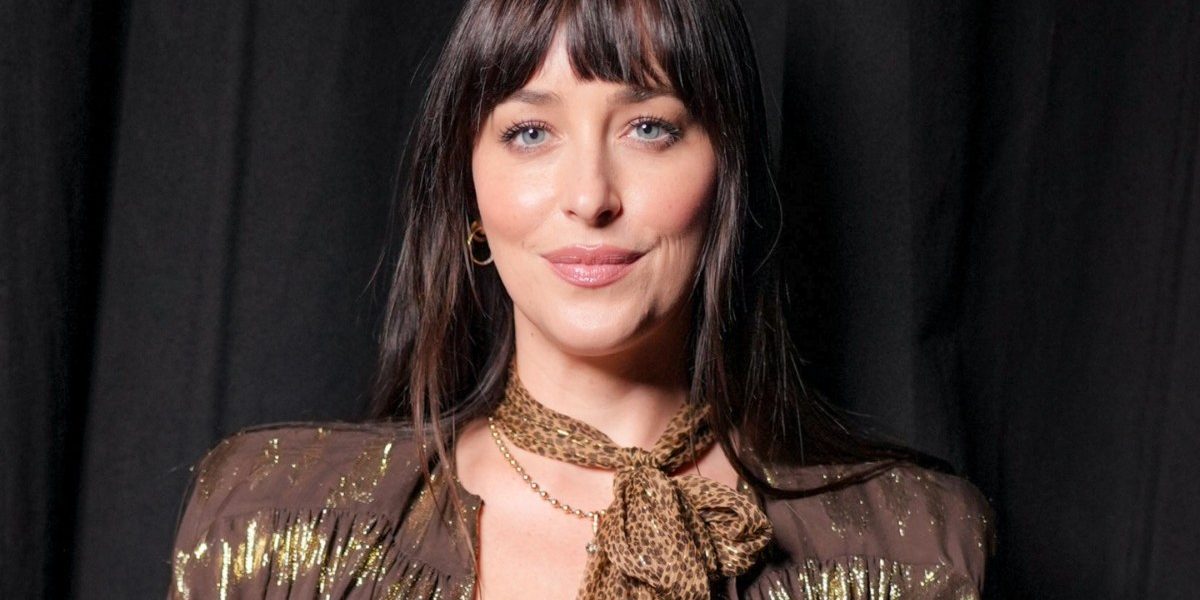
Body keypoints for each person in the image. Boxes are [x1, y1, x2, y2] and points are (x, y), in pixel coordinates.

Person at [167, 0, 995, 598]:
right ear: (468, 192)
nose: (591, 196)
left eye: (649, 128)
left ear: (727, 178)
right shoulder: (271, 520)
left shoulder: (913, 553)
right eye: (531, 132)